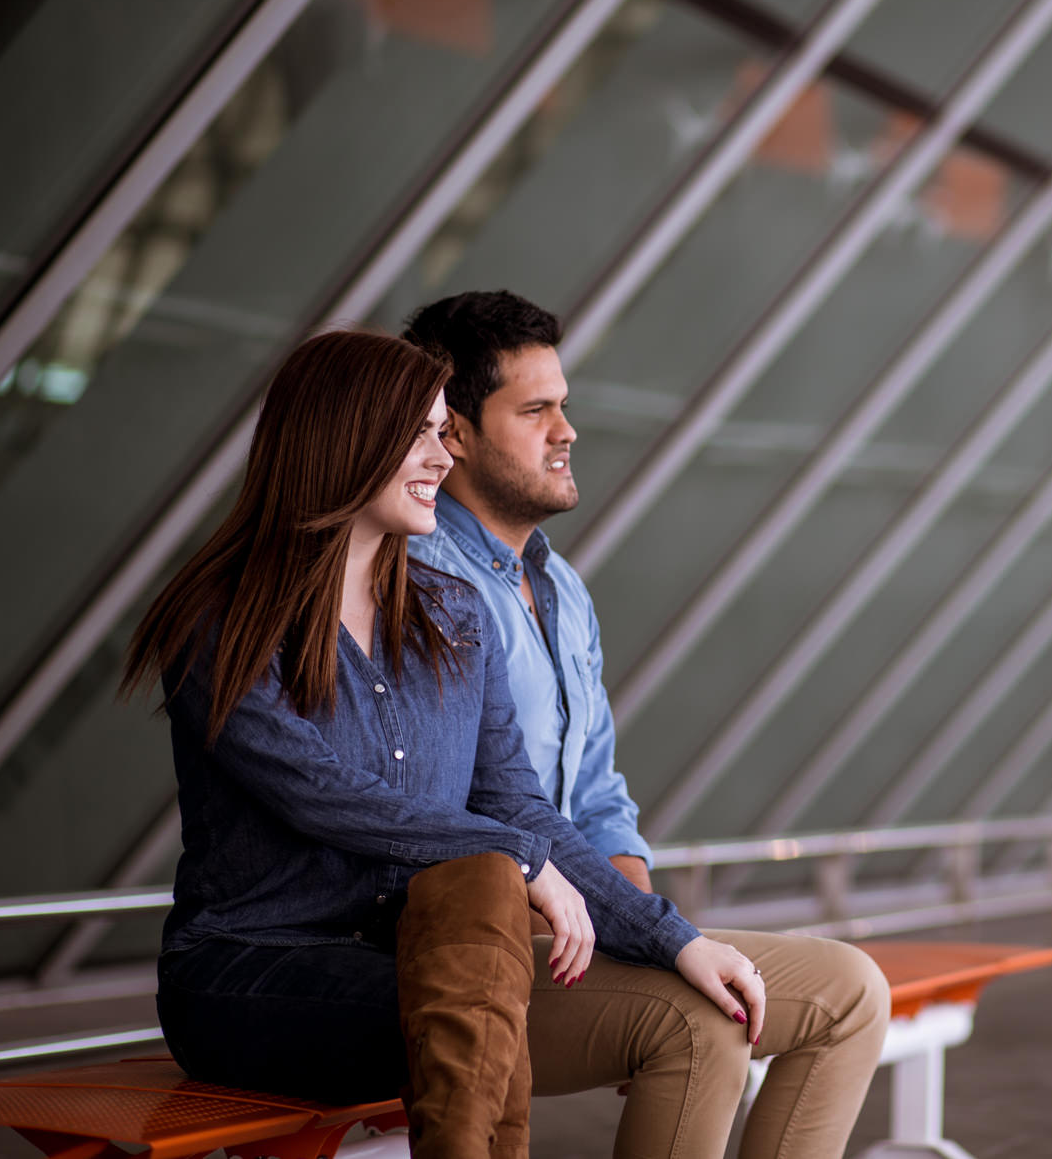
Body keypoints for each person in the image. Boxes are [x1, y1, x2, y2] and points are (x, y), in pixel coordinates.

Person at [132, 330, 886, 1159]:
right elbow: (328, 795)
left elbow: (519, 803)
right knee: (508, 964)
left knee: (702, 1010)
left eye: (439, 431)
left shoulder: (450, 615)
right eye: (417, 435)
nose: (438, 456)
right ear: (343, 438)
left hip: (448, 960)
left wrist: (673, 937)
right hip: (256, 975)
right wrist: (518, 856)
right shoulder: (221, 619)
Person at [402, 292, 889, 1157]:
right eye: (536, 408)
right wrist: (653, 944)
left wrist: (639, 930)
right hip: (477, 957)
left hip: (582, 929)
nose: (567, 430)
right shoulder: (420, 579)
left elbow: (596, 795)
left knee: (852, 989)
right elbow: (486, 804)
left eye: (565, 403)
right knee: (705, 1020)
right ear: (458, 434)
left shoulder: (561, 589)